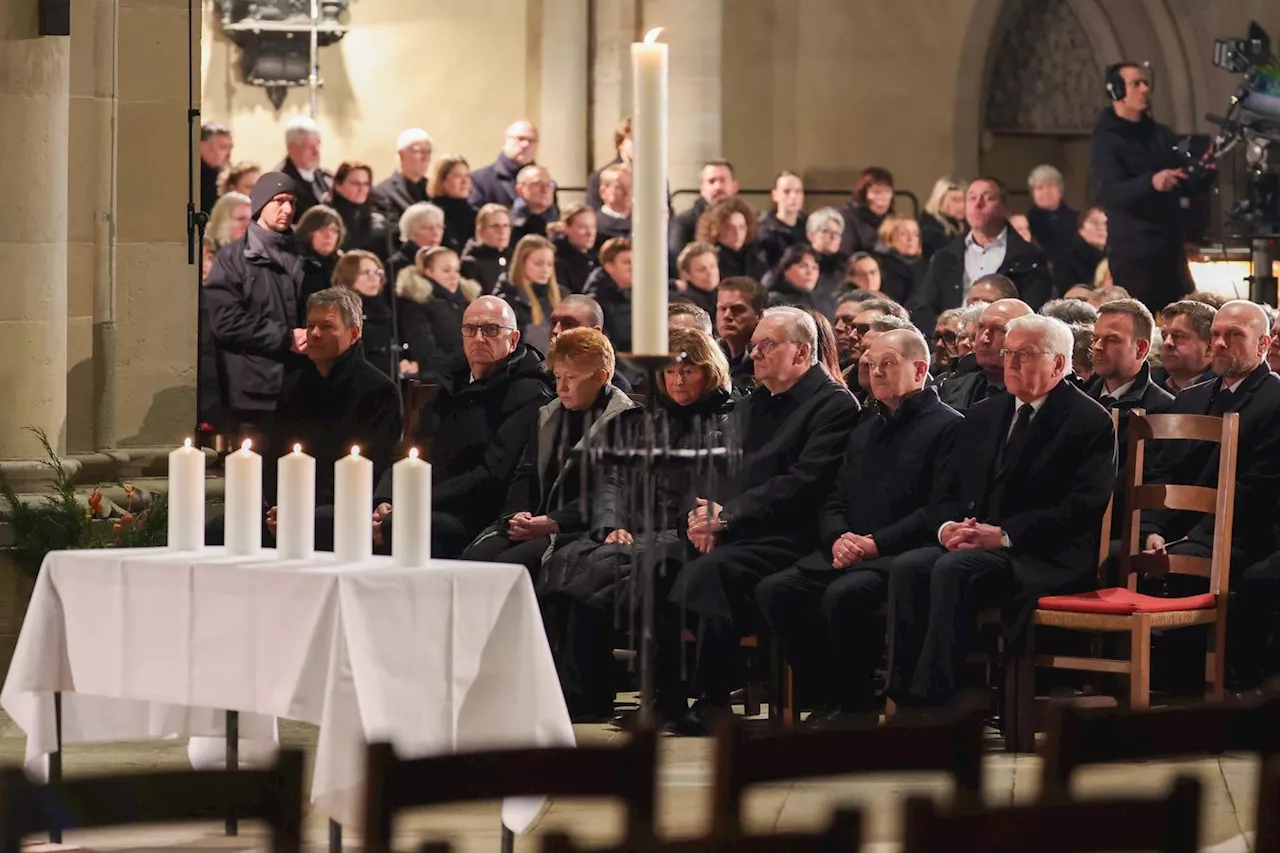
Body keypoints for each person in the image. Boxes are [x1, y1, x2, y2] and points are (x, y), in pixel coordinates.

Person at [887, 314, 1116, 710]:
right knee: (909, 567)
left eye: (1024, 355)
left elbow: (1082, 507)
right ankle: (902, 698)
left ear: (1059, 364)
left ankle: (936, 704)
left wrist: (1003, 534)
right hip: (976, 543)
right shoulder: (983, 414)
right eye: (1009, 352)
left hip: (1043, 553)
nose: (1010, 362)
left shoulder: (1088, 420)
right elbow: (946, 493)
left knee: (953, 570)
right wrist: (948, 529)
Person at [663, 307, 859, 734]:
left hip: (793, 534)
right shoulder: (754, 402)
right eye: (753, 346)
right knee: (656, 563)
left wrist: (727, 518)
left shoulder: (834, 405)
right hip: (738, 530)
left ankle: (713, 701)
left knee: (716, 571)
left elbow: (805, 482)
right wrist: (700, 517)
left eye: (766, 346)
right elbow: (713, 468)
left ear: (802, 351)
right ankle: (668, 698)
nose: (754, 355)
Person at [756, 328, 961, 723]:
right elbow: (833, 498)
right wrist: (837, 537)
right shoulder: (866, 426)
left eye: (888, 364)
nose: (876, 372)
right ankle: (826, 694)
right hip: (848, 550)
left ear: (920, 369)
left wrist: (874, 544)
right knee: (776, 591)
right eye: (871, 364)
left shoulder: (949, 426)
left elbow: (939, 509)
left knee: (844, 596)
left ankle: (856, 704)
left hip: (902, 555)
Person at [539, 328, 734, 720]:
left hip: (688, 535)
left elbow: (709, 490)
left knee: (636, 568)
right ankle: (580, 693)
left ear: (709, 372)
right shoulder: (643, 422)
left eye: (689, 371)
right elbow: (614, 481)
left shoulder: (724, 421)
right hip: (636, 531)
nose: (678, 380)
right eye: (670, 372)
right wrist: (613, 523)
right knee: (576, 559)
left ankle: (659, 696)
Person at [373, 296, 554, 558]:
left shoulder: (530, 392)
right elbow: (411, 450)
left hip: (479, 513)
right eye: (470, 329)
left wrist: (413, 502)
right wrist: (385, 498)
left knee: (395, 527)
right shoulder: (452, 381)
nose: (478, 338)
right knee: (345, 520)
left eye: (490, 330)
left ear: (513, 340)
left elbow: (490, 475)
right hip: (426, 502)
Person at [462, 327, 638, 573]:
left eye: (572, 378)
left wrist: (554, 522)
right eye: (557, 377)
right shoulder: (549, 413)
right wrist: (518, 513)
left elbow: (609, 490)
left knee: (509, 567)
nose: (561, 387)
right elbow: (525, 472)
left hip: (578, 528)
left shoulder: (626, 419)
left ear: (601, 377)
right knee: (473, 560)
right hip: (534, 520)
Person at [258, 287, 401, 549]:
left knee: (318, 522)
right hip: (288, 506)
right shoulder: (294, 386)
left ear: (354, 333)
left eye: (326, 326)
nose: (314, 333)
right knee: (218, 528)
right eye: (310, 325)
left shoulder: (378, 390)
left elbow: (374, 465)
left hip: (346, 506)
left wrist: (300, 510)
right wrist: (277, 505)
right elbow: (274, 455)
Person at [1091, 61, 1210, 312]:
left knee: (1184, 318)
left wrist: (1206, 171)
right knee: (1138, 322)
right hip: (1134, 256)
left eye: (1146, 83)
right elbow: (1109, 192)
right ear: (1116, 91)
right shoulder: (1106, 140)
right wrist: (1151, 182)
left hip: (1170, 251)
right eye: (1136, 84)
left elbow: (1183, 184)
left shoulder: (1161, 134)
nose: (1145, 89)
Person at [204, 173, 307, 442]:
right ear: (261, 204)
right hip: (254, 394)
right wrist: (286, 338)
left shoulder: (307, 258)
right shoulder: (232, 259)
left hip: (304, 390)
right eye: (279, 201)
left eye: (292, 202)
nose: (288, 209)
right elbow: (226, 321)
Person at [910, 177, 1052, 331]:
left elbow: (1032, 315)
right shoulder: (945, 256)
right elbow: (925, 308)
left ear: (1003, 207)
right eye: (971, 198)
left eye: (988, 198)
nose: (978, 204)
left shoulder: (1030, 258)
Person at [1083, 298, 1173, 542]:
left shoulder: (1164, 408)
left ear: (1141, 348)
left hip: (1122, 530)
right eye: (1095, 338)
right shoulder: (1078, 402)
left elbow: (1157, 480)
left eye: (1111, 339)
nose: (1098, 347)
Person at [395, 246, 482, 384]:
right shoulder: (417, 304)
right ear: (429, 272)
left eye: (457, 270)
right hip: (444, 380)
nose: (454, 276)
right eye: (446, 271)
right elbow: (425, 351)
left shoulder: (467, 301)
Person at [938, 298, 1032, 411]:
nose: (983, 339)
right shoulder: (950, 389)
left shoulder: (1038, 396)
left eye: (998, 330)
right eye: (981, 327)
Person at [331, 250, 396, 379]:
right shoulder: (338, 310)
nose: (374, 278)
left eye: (377, 272)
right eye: (366, 273)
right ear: (349, 275)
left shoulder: (384, 308)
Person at [548, 294, 632, 392]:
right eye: (554, 323)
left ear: (594, 333)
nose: (556, 330)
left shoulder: (618, 389)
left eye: (569, 324)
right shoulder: (539, 378)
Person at [494, 233, 562, 353]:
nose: (545, 270)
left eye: (549, 264)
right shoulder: (508, 302)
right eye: (538, 263)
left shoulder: (562, 295)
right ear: (522, 263)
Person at [670, 160, 738, 257]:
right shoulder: (684, 223)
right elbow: (677, 261)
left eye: (723, 180)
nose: (718, 187)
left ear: (734, 186)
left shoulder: (748, 221)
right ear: (702, 188)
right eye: (711, 181)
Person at [469, 120, 540, 208]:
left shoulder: (545, 184)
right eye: (520, 139)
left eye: (531, 141)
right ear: (504, 142)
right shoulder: (479, 180)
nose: (526, 144)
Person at [371, 128, 432, 230]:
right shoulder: (382, 192)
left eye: (428, 152)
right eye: (420, 151)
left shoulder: (435, 189)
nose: (426, 158)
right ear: (402, 154)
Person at [1152, 299, 1217, 394]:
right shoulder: (1146, 386)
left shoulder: (1225, 390)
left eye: (1179, 336)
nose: (1167, 343)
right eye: (1164, 336)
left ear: (1209, 347)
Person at [716, 276, 767, 393]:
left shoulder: (768, 359)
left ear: (759, 315)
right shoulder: (708, 357)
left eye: (738, 309)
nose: (727, 316)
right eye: (722, 309)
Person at [697, 197, 767, 281]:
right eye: (729, 228)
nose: (737, 233)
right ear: (715, 229)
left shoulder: (754, 256)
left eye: (741, 227)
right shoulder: (710, 260)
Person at [583, 237, 634, 353]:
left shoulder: (634, 295)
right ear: (609, 266)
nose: (634, 267)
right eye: (627, 262)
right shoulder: (596, 302)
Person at [275, 117, 331, 221]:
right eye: (310, 147)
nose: (316, 152)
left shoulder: (325, 178)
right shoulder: (279, 183)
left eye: (318, 145)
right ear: (292, 147)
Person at [329, 161, 388, 258]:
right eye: (355, 184)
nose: (362, 189)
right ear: (338, 186)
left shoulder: (379, 223)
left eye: (366, 184)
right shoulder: (327, 220)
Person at [1025, 165, 1077, 271]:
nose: (1046, 192)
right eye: (1040, 188)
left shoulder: (1076, 220)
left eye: (1050, 186)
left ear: (1060, 190)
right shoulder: (1026, 224)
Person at [294, 205, 344, 313]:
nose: (329, 235)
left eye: (334, 230)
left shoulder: (342, 264)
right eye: (322, 229)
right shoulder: (295, 263)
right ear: (307, 232)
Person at [388, 201, 445, 289]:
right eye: (426, 227)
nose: (436, 233)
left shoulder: (445, 260)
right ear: (410, 232)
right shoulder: (397, 265)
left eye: (439, 227)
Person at [840, 167, 895, 257]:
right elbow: (847, 254)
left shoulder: (894, 219)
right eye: (876, 192)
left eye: (887, 191)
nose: (882, 198)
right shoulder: (849, 218)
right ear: (863, 194)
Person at [757, 170, 807, 269]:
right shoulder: (763, 230)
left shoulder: (808, 227)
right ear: (775, 195)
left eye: (798, 191)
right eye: (786, 191)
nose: (793, 196)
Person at [427, 153, 476, 253]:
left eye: (467, 176)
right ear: (441, 180)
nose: (464, 182)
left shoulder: (475, 214)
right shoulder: (430, 214)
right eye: (458, 176)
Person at [460, 204, 513, 293]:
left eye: (506, 226)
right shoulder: (470, 263)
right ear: (481, 230)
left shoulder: (513, 258)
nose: (501, 231)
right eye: (495, 226)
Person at [1053, 206, 1108, 291]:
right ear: (1081, 227)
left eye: (1105, 223)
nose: (1101, 228)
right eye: (1095, 222)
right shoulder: (1066, 255)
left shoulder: (1113, 255)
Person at [875, 214, 925, 305]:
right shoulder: (883, 266)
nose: (910, 239)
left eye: (915, 234)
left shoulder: (925, 266)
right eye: (903, 234)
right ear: (889, 237)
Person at [586, 116, 633, 210]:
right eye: (634, 139)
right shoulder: (598, 177)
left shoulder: (656, 177)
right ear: (621, 144)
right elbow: (593, 214)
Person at [551, 204, 599, 295]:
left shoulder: (596, 258)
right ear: (566, 228)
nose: (590, 233)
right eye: (583, 227)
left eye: (593, 227)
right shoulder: (558, 261)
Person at [766, 244, 827, 315]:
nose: (810, 272)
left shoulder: (822, 302)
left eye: (815, 268)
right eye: (803, 266)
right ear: (785, 270)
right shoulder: (774, 301)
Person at [919, 177, 966, 261]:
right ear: (940, 200)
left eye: (966, 200)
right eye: (956, 200)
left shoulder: (964, 224)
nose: (963, 205)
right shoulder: (929, 230)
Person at [806, 207, 849, 298]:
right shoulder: (800, 263)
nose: (833, 237)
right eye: (826, 231)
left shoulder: (847, 265)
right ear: (811, 235)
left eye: (837, 233)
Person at [511, 164, 560, 243]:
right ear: (520, 190)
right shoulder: (507, 225)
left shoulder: (562, 222)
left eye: (549, 184)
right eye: (537, 184)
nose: (545, 190)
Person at [672, 241, 720, 317]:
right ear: (686, 274)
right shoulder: (684, 304)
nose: (710, 272)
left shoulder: (726, 295)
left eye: (712, 266)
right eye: (701, 269)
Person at [594, 163, 633, 247]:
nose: (627, 192)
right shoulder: (595, 226)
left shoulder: (641, 222)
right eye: (619, 187)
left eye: (630, 186)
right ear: (603, 192)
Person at [200, 122, 233, 214]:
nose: (229, 155)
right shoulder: (192, 179)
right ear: (203, 147)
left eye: (230, 148)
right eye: (223, 147)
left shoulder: (223, 177)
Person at [931, 308, 965, 376]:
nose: (939, 344)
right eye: (937, 337)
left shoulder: (976, 381)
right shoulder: (927, 373)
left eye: (949, 337)